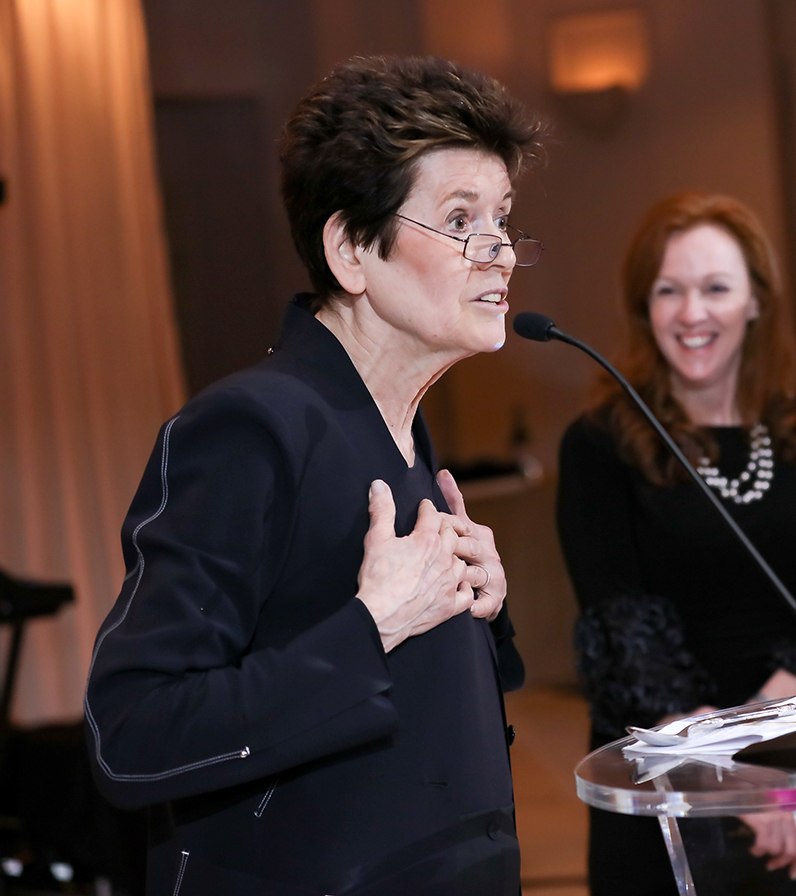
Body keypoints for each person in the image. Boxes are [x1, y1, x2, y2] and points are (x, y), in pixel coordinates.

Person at [83, 56, 544, 895]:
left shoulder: (400, 427)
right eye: (461, 219)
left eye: (504, 219)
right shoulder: (251, 430)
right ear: (351, 250)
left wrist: (481, 608)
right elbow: (132, 733)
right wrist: (374, 625)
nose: (503, 254)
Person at [556, 192, 796, 896]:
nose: (692, 313)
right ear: (645, 306)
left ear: (756, 302)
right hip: (664, 771)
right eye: (668, 290)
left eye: (715, 288)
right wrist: (729, 772)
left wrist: (768, 759)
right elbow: (622, 628)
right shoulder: (599, 444)